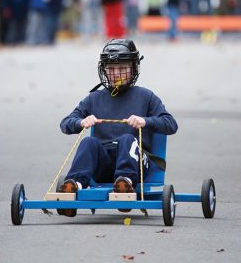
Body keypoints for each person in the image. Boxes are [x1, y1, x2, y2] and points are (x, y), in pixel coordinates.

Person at [59, 39, 178, 217]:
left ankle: (125, 184)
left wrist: (146, 121)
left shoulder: (145, 96)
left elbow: (171, 124)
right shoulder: (94, 98)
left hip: (136, 163)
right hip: (104, 164)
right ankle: (75, 187)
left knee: (126, 139)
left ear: (133, 68)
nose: (116, 74)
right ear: (103, 70)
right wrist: (80, 122)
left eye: (122, 68)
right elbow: (66, 123)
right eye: (111, 69)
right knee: (89, 142)